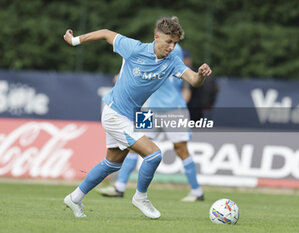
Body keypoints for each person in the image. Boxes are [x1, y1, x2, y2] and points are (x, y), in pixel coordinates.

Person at [62, 16, 212, 219]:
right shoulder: (134, 48)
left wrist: (201, 74)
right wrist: (75, 41)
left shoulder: (172, 61)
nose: (171, 47)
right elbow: (106, 33)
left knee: (112, 163)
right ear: (156, 36)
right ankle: (140, 197)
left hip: (130, 117)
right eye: (168, 41)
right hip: (114, 113)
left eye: (175, 43)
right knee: (153, 154)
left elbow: (194, 80)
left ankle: (74, 198)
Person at [96, 43, 204, 202]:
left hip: (173, 110)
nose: (168, 45)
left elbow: (151, 71)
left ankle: (197, 191)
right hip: (150, 110)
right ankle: (119, 186)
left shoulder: (173, 56)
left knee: (181, 149)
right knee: (134, 146)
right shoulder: (157, 53)